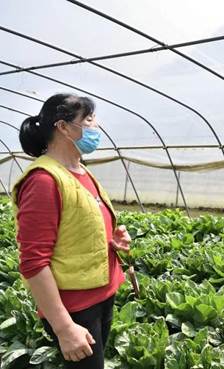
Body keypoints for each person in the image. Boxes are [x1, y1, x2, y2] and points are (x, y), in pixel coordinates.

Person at [12, 94, 131, 368]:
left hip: (102, 295)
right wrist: (65, 328)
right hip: (76, 308)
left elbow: (76, 228)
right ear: (63, 127)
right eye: (88, 120)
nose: (95, 126)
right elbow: (33, 262)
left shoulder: (80, 171)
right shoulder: (43, 180)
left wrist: (111, 239)